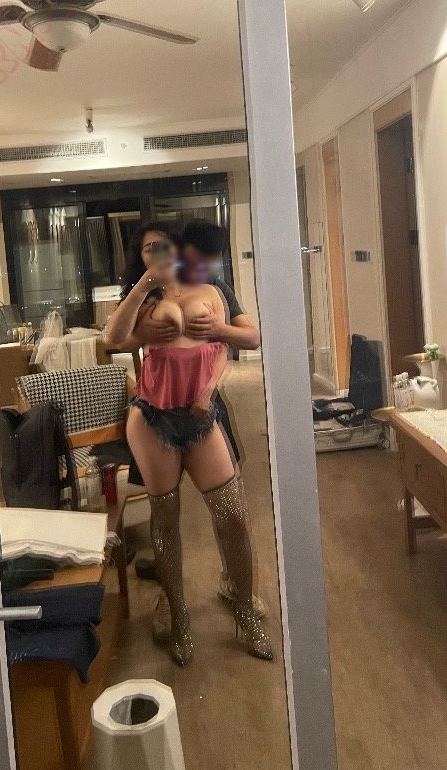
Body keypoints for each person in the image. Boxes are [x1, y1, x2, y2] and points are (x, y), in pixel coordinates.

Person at [105, 224, 273, 667]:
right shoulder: (145, 299)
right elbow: (113, 338)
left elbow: (233, 343)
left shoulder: (211, 287)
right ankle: (178, 614)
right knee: (166, 518)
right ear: (141, 257)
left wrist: (216, 345)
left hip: (201, 416)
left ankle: (243, 608)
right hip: (153, 418)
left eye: (165, 246)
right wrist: (146, 288)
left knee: (232, 514)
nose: (159, 253)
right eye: (149, 248)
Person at [137, 219, 266, 617]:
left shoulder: (214, 287)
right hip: (158, 408)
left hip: (206, 406)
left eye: (208, 260)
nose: (200, 266)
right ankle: (169, 598)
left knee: (227, 504)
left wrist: (219, 328)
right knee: (164, 512)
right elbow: (122, 338)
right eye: (195, 258)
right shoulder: (151, 290)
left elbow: (251, 338)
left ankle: (235, 585)